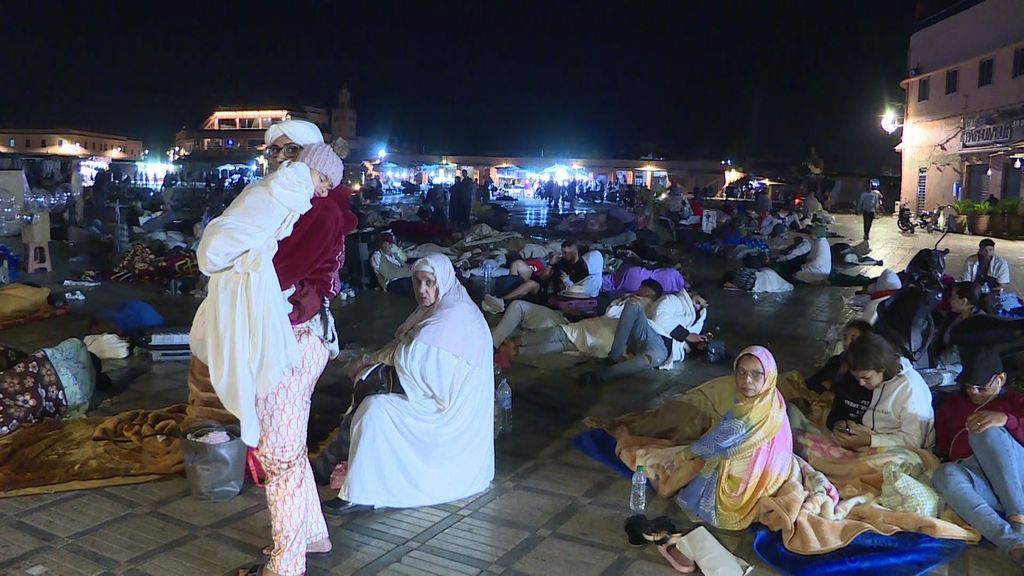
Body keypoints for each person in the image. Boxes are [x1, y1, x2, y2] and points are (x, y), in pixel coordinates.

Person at [191, 139, 347, 576]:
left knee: (280, 456)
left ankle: (287, 564)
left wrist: (241, 270)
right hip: (299, 336)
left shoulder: (316, 211)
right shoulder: (294, 204)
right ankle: (312, 534)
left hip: (296, 339)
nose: (279, 157)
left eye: (288, 150)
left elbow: (282, 272)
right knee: (287, 449)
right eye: (276, 150)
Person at [324, 253, 494, 513]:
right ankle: (355, 478)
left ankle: (361, 492)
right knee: (372, 402)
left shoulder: (451, 316)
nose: (422, 289)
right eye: (418, 281)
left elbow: (411, 358)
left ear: (443, 281)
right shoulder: (443, 305)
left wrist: (368, 361)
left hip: (449, 416)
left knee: (375, 411)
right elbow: (406, 346)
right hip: (445, 402)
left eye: (429, 282)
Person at [932, 351, 1024, 565]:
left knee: (984, 429)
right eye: (968, 386)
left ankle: (1019, 520)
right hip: (983, 479)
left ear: (1000, 379)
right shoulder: (953, 404)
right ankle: (1013, 543)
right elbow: (944, 444)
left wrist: (1008, 420)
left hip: (1017, 478)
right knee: (944, 474)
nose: (973, 392)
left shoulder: (1015, 401)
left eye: (981, 387)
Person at [829, 333, 935, 450]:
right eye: (857, 377)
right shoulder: (873, 379)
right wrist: (842, 426)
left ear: (882, 368)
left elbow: (914, 441)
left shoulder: (910, 389)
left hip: (907, 449)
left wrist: (869, 440)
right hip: (872, 438)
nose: (861, 383)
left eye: (866, 377)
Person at [487, 239, 589, 309]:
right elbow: (543, 277)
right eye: (562, 252)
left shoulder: (581, 268)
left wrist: (566, 280)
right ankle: (510, 293)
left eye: (566, 252)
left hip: (550, 293)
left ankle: (502, 301)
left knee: (531, 284)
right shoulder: (562, 261)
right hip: (543, 282)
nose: (563, 255)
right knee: (517, 264)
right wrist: (551, 263)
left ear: (574, 252)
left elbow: (580, 290)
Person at [807, 319, 872, 394]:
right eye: (845, 337)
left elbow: (857, 394)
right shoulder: (835, 360)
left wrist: (831, 388)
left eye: (853, 339)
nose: (846, 343)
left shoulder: (866, 370)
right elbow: (813, 381)